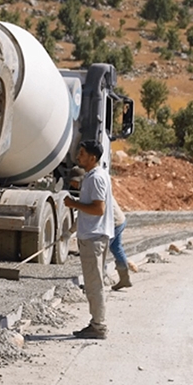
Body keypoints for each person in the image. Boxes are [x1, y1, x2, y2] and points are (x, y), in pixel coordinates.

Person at [64, 140, 114, 339]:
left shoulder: (95, 179)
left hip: (94, 238)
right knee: (95, 282)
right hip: (95, 236)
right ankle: (97, 323)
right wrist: (71, 230)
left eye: (83, 153)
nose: (78, 157)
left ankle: (98, 326)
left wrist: (73, 203)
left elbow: (98, 209)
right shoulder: (96, 176)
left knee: (94, 284)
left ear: (92, 157)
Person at [107, 198, 133, 290]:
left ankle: (96, 283)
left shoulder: (93, 188)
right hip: (119, 220)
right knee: (116, 248)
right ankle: (124, 279)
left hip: (114, 222)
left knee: (100, 251)